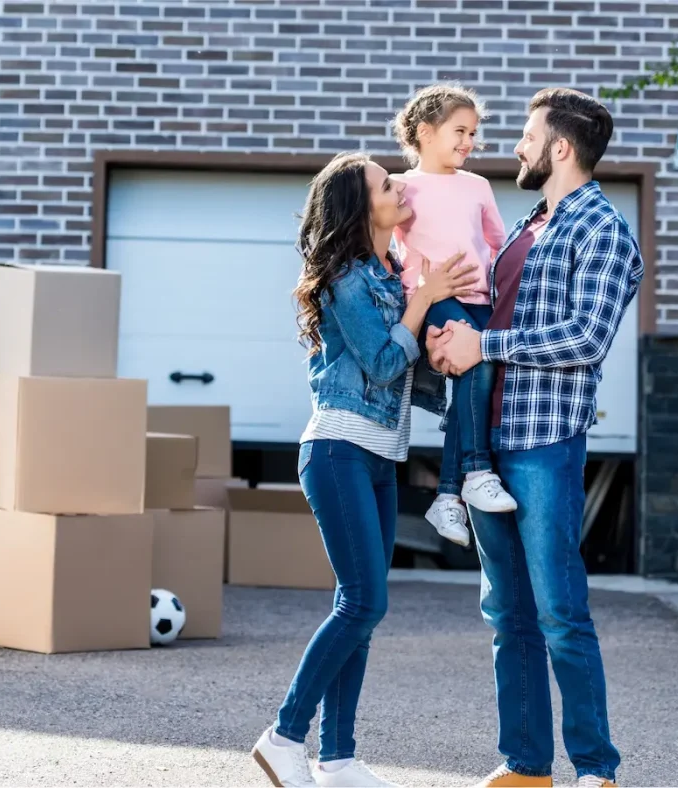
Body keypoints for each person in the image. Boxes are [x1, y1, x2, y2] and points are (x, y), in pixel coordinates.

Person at [427, 88, 644, 788]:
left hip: (544, 442)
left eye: (526, 135)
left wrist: (483, 344)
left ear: (560, 147)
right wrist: (451, 340)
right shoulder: (527, 225)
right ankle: (526, 766)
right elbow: (487, 318)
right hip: (486, 445)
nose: (514, 147)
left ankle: (595, 770)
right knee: (506, 613)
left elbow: (585, 338)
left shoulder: (603, 229)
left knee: (558, 609)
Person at [251, 151, 483, 788]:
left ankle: (340, 759)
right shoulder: (347, 278)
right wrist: (426, 303)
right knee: (363, 603)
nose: (400, 186)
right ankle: (284, 734)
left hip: (381, 457)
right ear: (362, 207)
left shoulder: (392, 272)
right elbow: (382, 364)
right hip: (338, 451)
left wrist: (444, 346)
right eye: (387, 183)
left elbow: (410, 377)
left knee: (362, 608)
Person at [390, 83, 519, 550]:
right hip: (434, 299)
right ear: (425, 132)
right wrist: (415, 301)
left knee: (475, 381)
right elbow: (383, 241)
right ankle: (476, 472)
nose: (469, 142)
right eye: (459, 131)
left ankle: (448, 495)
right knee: (476, 367)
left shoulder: (478, 186)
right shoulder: (402, 188)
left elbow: (498, 246)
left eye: (474, 133)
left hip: (479, 299)